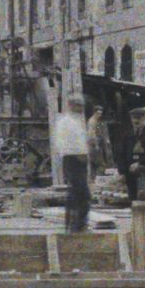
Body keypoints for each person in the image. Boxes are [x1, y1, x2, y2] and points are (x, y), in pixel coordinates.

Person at [52, 96, 91, 233]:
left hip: (78, 160)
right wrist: (78, 156)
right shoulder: (66, 122)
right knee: (81, 194)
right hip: (73, 159)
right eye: (78, 105)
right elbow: (64, 144)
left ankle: (76, 225)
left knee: (77, 194)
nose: (80, 108)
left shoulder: (76, 122)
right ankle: (76, 226)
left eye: (81, 106)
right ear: (70, 105)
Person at [122, 107, 145, 201]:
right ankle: (132, 202)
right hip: (130, 167)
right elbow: (121, 153)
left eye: (138, 118)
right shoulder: (127, 135)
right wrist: (121, 170)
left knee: (139, 171)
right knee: (127, 175)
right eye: (134, 118)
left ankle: (141, 194)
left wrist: (139, 163)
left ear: (144, 119)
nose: (136, 121)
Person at [87, 107, 112, 176]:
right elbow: (91, 134)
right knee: (100, 163)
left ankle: (95, 177)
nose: (99, 115)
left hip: (96, 144)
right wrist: (96, 145)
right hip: (93, 145)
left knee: (96, 163)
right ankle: (97, 177)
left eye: (100, 113)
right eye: (98, 113)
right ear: (94, 113)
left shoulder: (96, 121)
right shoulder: (92, 121)